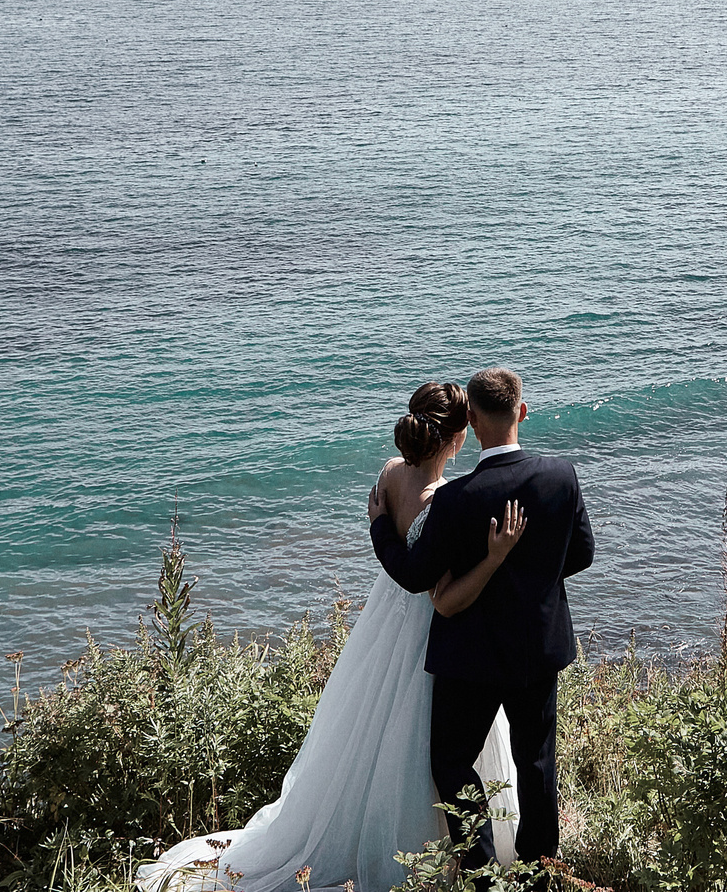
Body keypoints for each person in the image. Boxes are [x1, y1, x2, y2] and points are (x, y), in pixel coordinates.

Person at [137, 382, 529, 892]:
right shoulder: (450, 500)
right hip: (431, 632)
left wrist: (381, 531)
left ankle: (369, 830)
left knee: (369, 729)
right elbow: (436, 582)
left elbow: (394, 556)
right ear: (457, 439)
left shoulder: (390, 476)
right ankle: (445, 851)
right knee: (431, 738)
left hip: (384, 621)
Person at [370, 368, 597, 877]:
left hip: (468, 660)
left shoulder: (456, 499)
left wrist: (380, 527)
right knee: (537, 764)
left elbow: (413, 576)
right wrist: (530, 576)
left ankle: (484, 872)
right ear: (521, 411)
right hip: (537, 650)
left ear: (470, 421)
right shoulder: (561, 475)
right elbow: (581, 553)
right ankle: (541, 874)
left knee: (451, 764)